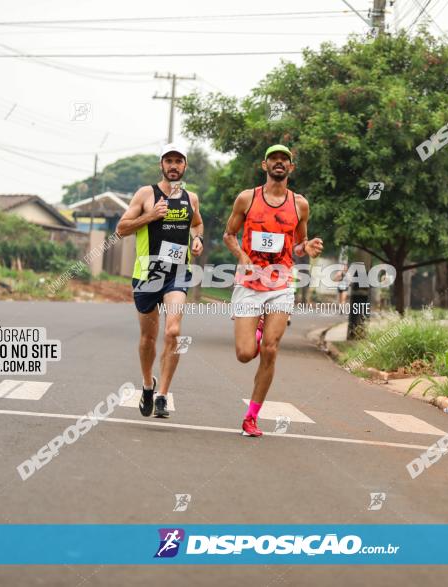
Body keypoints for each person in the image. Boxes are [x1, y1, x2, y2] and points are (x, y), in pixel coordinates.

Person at [222, 144, 323, 437]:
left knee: (270, 349)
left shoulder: (300, 205)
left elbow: (299, 246)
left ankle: (251, 417)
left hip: (280, 285)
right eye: (274, 159)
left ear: (291, 168)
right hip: (249, 284)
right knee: (244, 353)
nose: (279, 163)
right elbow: (229, 234)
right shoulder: (246, 198)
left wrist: (310, 247)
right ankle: (256, 329)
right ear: (264, 165)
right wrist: (242, 256)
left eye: (285, 160)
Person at [116, 143, 204, 419]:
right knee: (148, 338)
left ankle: (163, 395)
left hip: (177, 274)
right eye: (169, 161)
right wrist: (150, 216)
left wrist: (197, 238)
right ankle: (147, 384)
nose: (174, 166)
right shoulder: (145, 194)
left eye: (179, 161)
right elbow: (120, 229)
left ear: (185, 166)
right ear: (161, 165)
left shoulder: (192, 198)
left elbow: (198, 224)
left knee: (173, 332)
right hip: (147, 274)